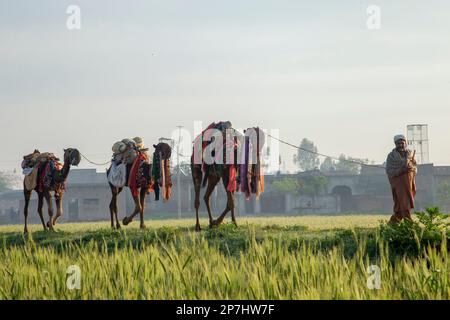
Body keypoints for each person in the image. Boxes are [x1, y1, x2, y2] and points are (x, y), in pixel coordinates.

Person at [385, 134, 417, 223]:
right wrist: (402, 170)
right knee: (404, 204)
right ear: (395, 144)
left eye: (402, 143)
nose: (400, 145)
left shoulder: (410, 154)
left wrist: (411, 167)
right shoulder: (391, 156)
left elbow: (414, 167)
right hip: (398, 184)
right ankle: (409, 224)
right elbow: (389, 171)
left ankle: (392, 224)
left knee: (400, 208)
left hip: (409, 183)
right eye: (398, 143)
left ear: (405, 143)